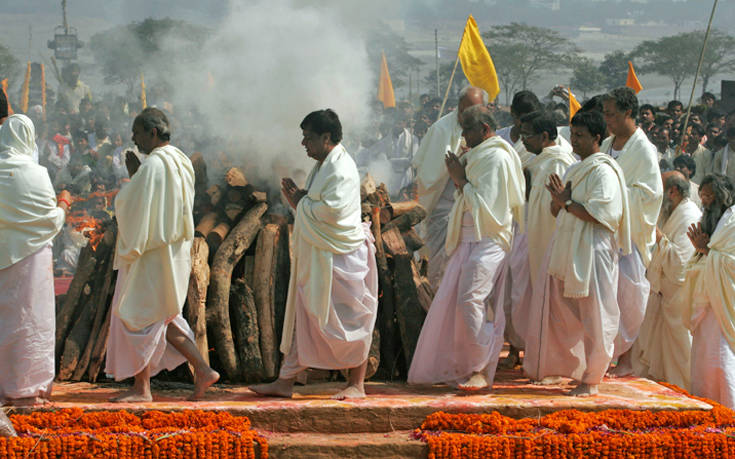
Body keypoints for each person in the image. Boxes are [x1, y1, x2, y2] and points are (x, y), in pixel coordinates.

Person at [250, 109, 378, 400]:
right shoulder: (324, 165)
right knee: (305, 316)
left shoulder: (341, 168)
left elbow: (331, 213)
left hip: (341, 255)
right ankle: (285, 381)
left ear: (326, 137)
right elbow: (318, 203)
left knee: (353, 319)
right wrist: (302, 198)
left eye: (308, 138)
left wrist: (299, 202)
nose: (303, 144)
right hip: (323, 255)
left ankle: (357, 384)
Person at [408, 105, 525, 391]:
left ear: (485, 129)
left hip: (489, 240)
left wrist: (459, 178)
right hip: (469, 239)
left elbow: (487, 205)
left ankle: (481, 367)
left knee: (470, 301)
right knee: (456, 302)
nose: (463, 136)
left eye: (468, 130)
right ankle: (463, 362)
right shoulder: (479, 154)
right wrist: (461, 176)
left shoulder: (496, 156)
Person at [106, 107, 218, 402]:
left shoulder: (155, 164)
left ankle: (141, 389)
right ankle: (203, 370)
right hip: (174, 252)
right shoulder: (180, 159)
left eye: (137, 134)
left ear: (152, 132)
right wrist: (139, 174)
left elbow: (134, 206)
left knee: (137, 316)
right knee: (164, 317)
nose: (135, 141)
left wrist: (134, 174)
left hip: (152, 254)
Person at [524, 111, 630, 397]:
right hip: (568, 248)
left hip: (594, 250)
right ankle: (569, 368)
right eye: (572, 135)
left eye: (581, 136)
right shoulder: (574, 169)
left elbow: (603, 214)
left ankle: (592, 379)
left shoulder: (603, 171)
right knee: (564, 314)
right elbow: (556, 209)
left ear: (597, 138)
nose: (574, 141)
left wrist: (567, 202)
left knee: (597, 315)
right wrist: (559, 202)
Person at [0, 114, 70, 406]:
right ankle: (30, 389)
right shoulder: (38, 173)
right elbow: (48, 221)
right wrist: (64, 204)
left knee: (5, 319)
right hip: (34, 260)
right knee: (32, 319)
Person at [600, 87, 663, 376]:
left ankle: (626, 360)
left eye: (611, 114)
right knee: (606, 298)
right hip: (605, 236)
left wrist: (614, 195)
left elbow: (649, 196)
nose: (606, 119)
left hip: (631, 239)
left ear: (628, 112)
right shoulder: (607, 145)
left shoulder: (643, 150)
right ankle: (604, 356)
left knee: (630, 300)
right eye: (605, 113)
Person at [509, 111, 577, 359]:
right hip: (532, 240)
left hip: (551, 244)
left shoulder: (557, 162)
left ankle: (555, 359)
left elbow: (558, 207)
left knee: (554, 304)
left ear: (545, 136)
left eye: (527, 135)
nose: (523, 140)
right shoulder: (538, 162)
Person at [631, 171, 701, 390]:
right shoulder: (672, 211)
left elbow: (680, 264)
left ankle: (688, 391)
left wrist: (659, 237)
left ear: (673, 192)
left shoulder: (689, 215)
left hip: (678, 297)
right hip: (662, 293)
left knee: (681, 354)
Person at [412, 86, 486, 288]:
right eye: (463, 111)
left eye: (472, 112)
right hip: (445, 208)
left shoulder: (486, 131)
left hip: (474, 211)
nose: (465, 116)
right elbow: (429, 176)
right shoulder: (441, 130)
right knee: (441, 267)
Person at [679, 174, 735, 408]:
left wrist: (706, 251)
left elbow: (730, 262)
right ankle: (706, 409)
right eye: (702, 197)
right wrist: (701, 251)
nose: (705, 202)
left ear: (722, 197)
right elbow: (704, 258)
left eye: (709, 197)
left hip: (725, 305)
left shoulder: (732, 222)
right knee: (703, 361)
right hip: (706, 305)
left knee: (722, 361)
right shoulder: (711, 220)